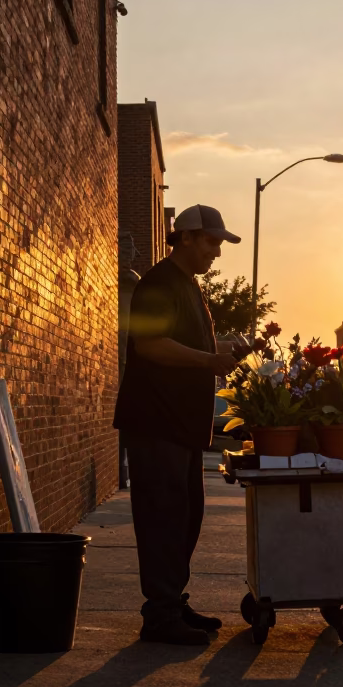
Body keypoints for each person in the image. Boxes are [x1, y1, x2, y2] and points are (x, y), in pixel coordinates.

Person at [113, 204, 245, 644]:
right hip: (156, 423)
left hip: (182, 427)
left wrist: (226, 348)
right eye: (211, 242)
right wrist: (209, 359)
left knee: (185, 518)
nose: (217, 253)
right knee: (163, 519)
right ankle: (160, 616)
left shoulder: (187, 286)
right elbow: (150, 345)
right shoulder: (158, 283)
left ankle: (171, 603)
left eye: (220, 244)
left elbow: (184, 344)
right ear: (185, 236)